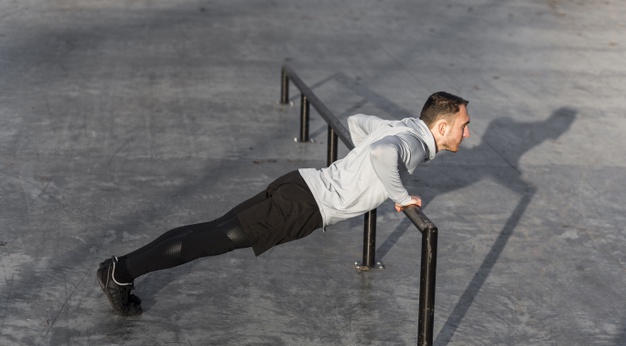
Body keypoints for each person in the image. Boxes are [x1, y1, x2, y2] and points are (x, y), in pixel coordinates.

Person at [97, 91, 470, 316]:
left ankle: (121, 268)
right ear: (441, 127)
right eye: (463, 125)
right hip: (304, 206)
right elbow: (382, 155)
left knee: (207, 231)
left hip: (300, 183)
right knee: (208, 241)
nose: (467, 132)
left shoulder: (403, 126)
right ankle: (120, 272)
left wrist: (357, 170)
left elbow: (357, 122)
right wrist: (401, 196)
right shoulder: (414, 145)